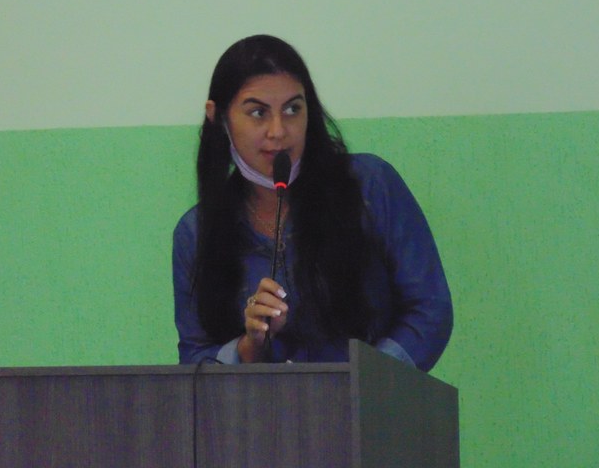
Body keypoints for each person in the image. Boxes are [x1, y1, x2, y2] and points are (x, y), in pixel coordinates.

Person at [172, 35, 452, 371]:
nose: (279, 131)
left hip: (371, 400)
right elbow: (195, 360)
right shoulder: (195, 233)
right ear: (218, 118)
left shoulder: (370, 186)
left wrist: (365, 380)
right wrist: (249, 347)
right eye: (258, 113)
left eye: (293, 109)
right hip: (260, 407)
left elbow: (430, 311)